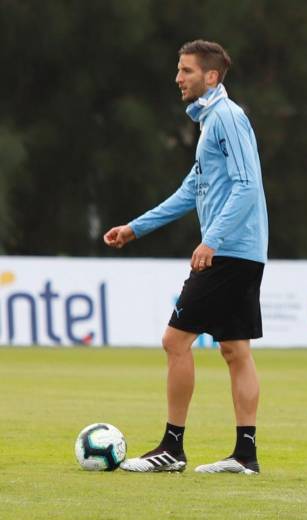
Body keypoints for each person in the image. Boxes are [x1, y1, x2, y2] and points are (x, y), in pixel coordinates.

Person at [103, 40, 268, 475]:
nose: (178, 78)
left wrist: (211, 240)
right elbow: (189, 192)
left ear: (211, 77)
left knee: (174, 341)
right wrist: (135, 228)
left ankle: (172, 448)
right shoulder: (211, 121)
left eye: (186, 70)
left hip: (229, 252)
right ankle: (245, 455)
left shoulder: (226, 117)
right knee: (235, 349)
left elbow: (247, 185)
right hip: (242, 251)